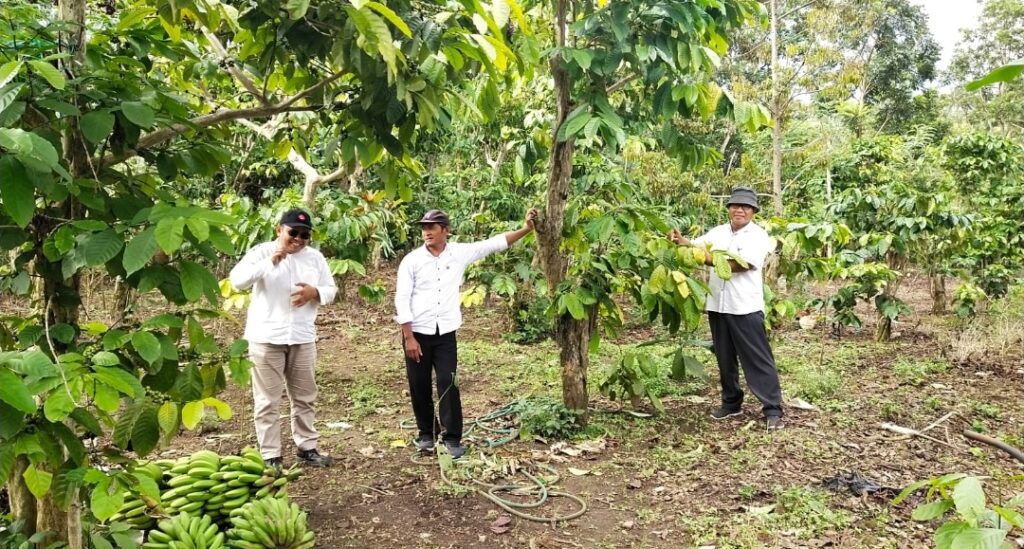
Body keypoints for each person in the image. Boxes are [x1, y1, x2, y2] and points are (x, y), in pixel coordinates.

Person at [395, 208, 538, 458]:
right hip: (417, 333)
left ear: (445, 230)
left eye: (432, 227)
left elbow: (493, 244)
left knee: (448, 382)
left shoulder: (458, 253)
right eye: (424, 227)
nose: (427, 232)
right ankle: (426, 434)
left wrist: (526, 229)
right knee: (419, 385)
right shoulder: (412, 261)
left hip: (445, 333)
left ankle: (452, 438)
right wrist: (409, 337)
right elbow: (402, 298)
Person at [668, 187, 785, 431]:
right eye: (735, 205)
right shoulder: (719, 232)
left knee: (757, 358)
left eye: (745, 207)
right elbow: (695, 246)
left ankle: (772, 408)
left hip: (744, 306)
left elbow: (742, 265)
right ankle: (731, 403)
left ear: (753, 211)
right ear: (729, 208)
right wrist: (681, 241)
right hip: (718, 306)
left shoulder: (758, 235)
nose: (739, 210)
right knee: (724, 357)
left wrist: (707, 258)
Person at [229, 208, 338, 468]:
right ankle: (271, 454)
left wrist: (314, 293)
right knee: (267, 400)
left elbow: (331, 289)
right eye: (293, 232)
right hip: (266, 337)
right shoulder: (261, 252)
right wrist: (270, 262)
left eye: (305, 235)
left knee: (305, 396)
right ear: (280, 230)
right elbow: (237, 281)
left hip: (302, 336)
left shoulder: (315, 258)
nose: (298, 239)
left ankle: (307, 447)